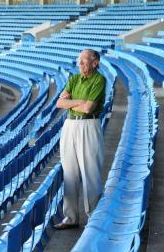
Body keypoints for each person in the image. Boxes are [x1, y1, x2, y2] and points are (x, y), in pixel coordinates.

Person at [53, 49, 106, 230]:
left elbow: (88, 109)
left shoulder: (99, 80)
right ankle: (70, 217)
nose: (80, 64)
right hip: (69, 125)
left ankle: (93, 219)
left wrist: (73, 101)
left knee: (90, 174)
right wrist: (79, 101)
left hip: (88, 126)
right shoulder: (75, 79)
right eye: (79, 61)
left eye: (84, 61)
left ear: (95, 62)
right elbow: (59, 103)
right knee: (69, 173)